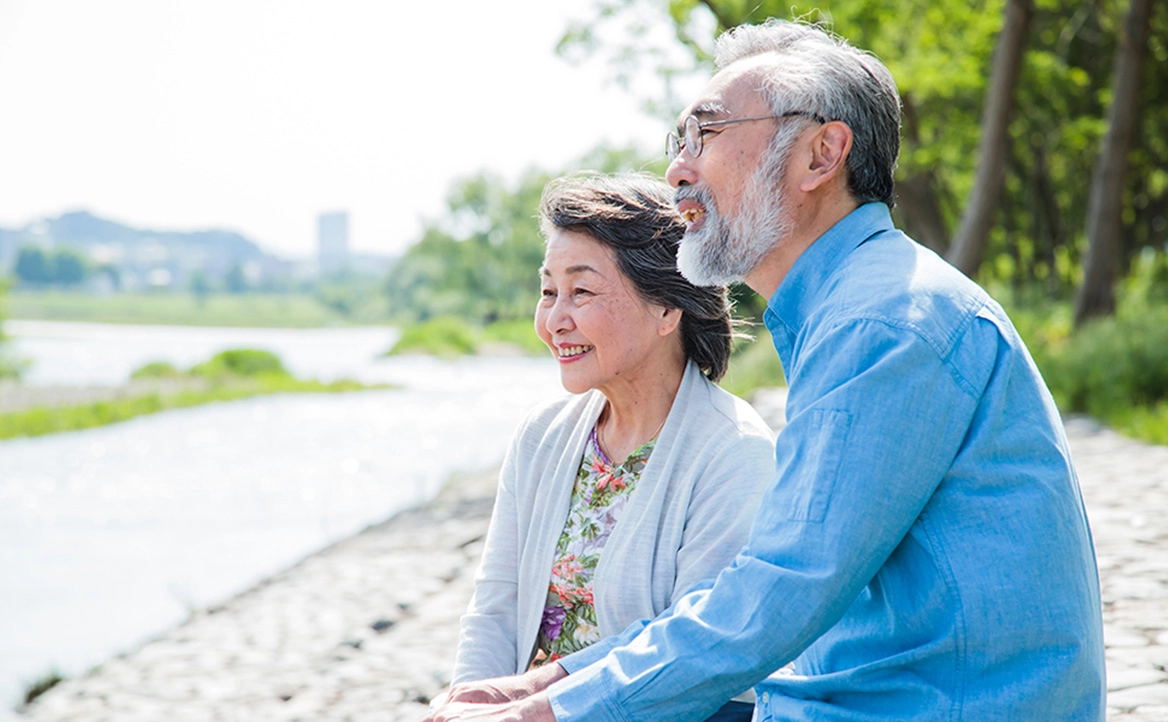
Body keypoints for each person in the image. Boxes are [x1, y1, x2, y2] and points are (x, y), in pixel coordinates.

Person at [424, 18, 1106, 722]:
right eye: (679, 141)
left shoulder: (884, 324)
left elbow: (778, 592)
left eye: (708, 134)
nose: (678, 170)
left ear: (820, 155)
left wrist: (551, 709)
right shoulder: (855, 308)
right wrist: (545, 682)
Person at [445, 172, 775, 722]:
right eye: (548, 291)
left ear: (668, 309)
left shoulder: (735, 454)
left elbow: (693, 656)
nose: (554, 320)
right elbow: (495, 610)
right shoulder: (542, 435)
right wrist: (471, 701)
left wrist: (534, 707)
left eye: (581, 291)